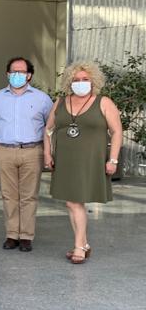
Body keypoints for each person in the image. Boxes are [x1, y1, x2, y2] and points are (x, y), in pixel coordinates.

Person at [44, 61, 123, 264]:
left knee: (75, 202)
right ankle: (83, 244)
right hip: (65, 161)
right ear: (69, 82)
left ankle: (79, 246)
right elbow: (48, 129)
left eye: (85, 79)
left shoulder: (104, 102)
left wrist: (113, 159)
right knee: (71, 202)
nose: (80, 82)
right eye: (76, 79)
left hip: (90, 161)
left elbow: (117, 132)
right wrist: (47, 154)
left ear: (93, 80)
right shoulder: (61, 102)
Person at [0, 56, 54, 251]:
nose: (17, 75)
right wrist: (5, 137)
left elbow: (49, 125)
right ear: (7, 74)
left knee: (29, 196)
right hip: (5, 151)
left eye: (21, 72)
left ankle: (26, 236)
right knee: (9, 195)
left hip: (32, 151)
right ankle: (12, 234)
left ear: (29, 75)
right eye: (13, 71)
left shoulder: (42, 99)